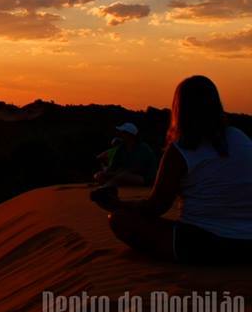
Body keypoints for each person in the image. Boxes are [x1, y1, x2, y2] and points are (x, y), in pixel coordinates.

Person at [92, 75, 252, 264]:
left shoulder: (181, 150)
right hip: (248, 245)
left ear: (180, 108)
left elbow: (157, 206)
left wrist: (120, 206)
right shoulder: (242, 138)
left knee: (118, 220)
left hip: (202, 244)